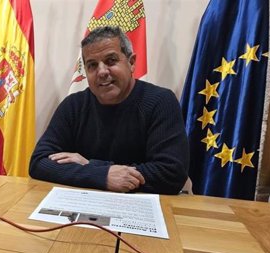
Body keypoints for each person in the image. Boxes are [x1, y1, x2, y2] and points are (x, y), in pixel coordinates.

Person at [29, 26, 189, 194]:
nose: (102, 72)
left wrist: (91, 166)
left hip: (143, 210)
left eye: (111, 61)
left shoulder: (161, 101)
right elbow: (39, 162)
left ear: (132, 63)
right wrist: (101, 175)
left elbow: (171, 174)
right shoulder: (73, 106)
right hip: (84, 205)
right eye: (92, 65)